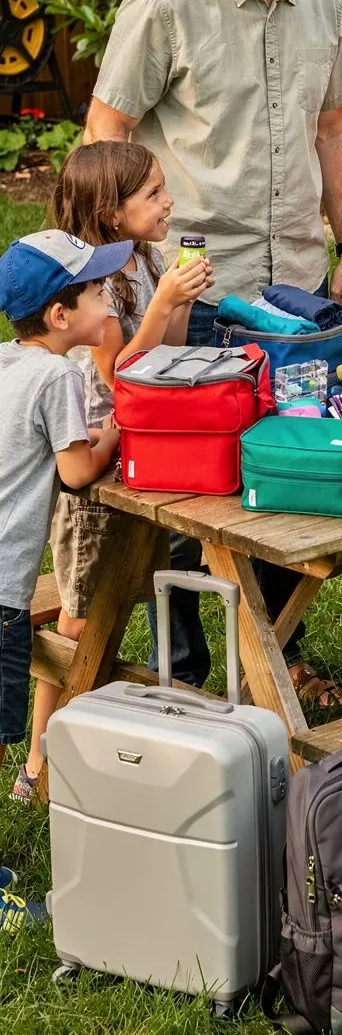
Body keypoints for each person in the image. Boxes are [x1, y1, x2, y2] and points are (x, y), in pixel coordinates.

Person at [83, 0, 342, 706]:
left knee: (290, 474)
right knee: (185, 494)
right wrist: (116, 272)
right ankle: (189, 678)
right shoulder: (166, 6)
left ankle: (284, 656)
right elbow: (106, 135)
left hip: (300, 293)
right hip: (196, 296)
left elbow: (334, 128)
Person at [12, 144, 213, 802]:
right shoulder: (86, 309)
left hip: (130, 459)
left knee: (108, 608)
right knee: (79, 621)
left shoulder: (140, 262)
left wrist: (178, 301)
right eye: (152, 194)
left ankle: (123, 730)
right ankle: (41, 764)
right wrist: (158, 312)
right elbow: (120, 372)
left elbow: (163, 354)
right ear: (110, 210)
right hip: (95, 479)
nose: (167, 203)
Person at [0, 230, 127, 820]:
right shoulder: (58, 377)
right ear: (60, 314)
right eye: (99, 292)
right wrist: (113, 435)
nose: (109, 302)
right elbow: (76, 473)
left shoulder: (6, 363)